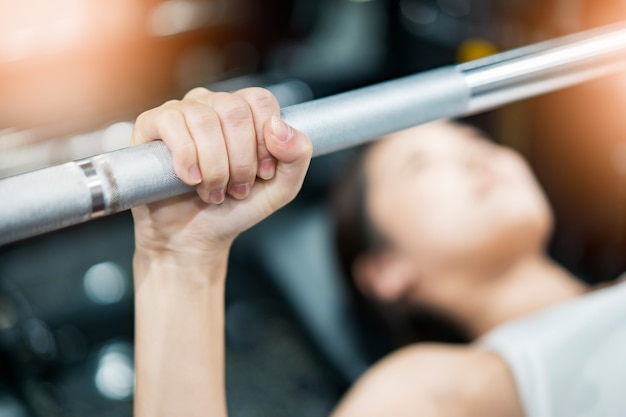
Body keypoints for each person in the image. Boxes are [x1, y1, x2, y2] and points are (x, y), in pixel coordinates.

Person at [130, 87, 626, 417]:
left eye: (473, 137)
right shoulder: (440, 390)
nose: (475, 154)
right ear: (386, 269)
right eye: (419, 164)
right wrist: (179, 258)